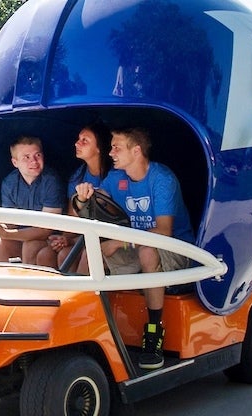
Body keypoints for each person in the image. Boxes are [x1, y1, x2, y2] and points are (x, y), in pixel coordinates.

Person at [73, 127, 194, 370]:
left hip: (177, 250)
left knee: (147, 250)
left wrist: (117, 242)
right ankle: (79, 324)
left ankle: (153, 333)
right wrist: (83, 198)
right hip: (136, 246)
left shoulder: (162, 179)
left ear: (136, 151)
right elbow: (97, 202)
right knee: (90, 252)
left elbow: (163, 232)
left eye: (117, 147)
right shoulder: (117, 178)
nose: (111, 152)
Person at [39, 122, 114, 271]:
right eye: (78, 139)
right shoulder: (77, 177)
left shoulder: (116, 176)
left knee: (82, 256)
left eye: (84, 141)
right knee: (51, 254)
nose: (77, 143)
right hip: (82, 238)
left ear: (99, 147)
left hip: (108, 239)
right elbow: (72, 219)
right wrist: (65, 239)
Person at [0, 136, 65, 263]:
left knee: (30, 246)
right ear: (15, 162)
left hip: (51, 240)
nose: (34, 161)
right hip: (22, 236)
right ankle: (1, 282)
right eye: (27, 157)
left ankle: (27, 282)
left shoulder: (51, 181)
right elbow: (10, 222)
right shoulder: (9, 183)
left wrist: (6, 233)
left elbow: (46, 229)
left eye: (38, 155)